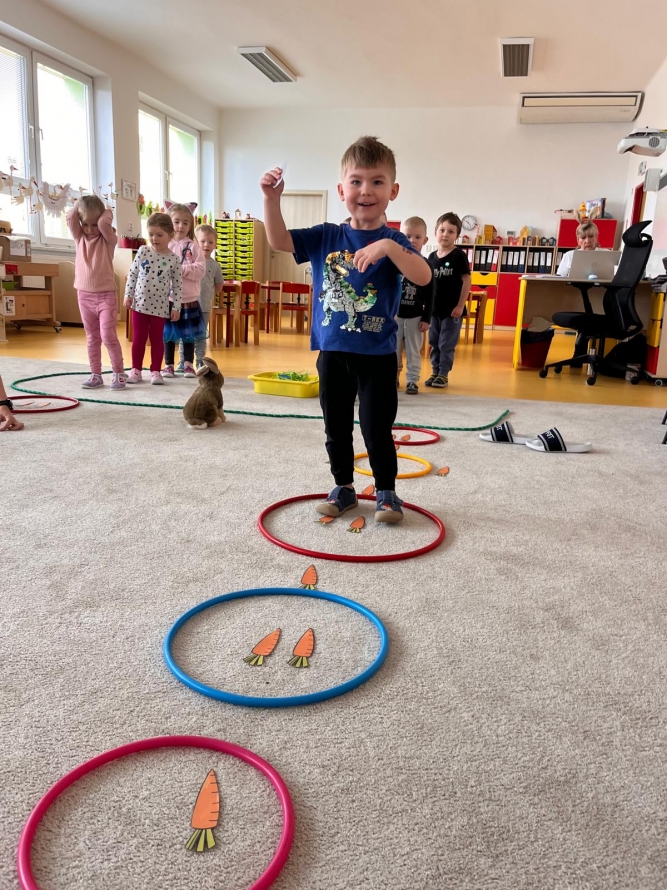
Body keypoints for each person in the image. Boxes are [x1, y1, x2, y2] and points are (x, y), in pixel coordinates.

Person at [260, 135, 431, 523]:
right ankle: (343, 487)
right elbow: (278, 239)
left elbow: (423, 276)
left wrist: (388, 248)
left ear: (392, 191)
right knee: (335, 427)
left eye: (376, 181)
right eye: (356, 181)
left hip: (378, 356)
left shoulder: (395, 241)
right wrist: (270, 199)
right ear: (341, 190)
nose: (365, 190)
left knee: (376, 427)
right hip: (333, 352)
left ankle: (386, 491)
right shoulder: (326, 235)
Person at [66, 196, 126, 390]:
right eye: (85, 224)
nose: (90, 229)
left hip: (106, 295)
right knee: (92, 337)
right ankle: (96, 374)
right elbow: (70, 217)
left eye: (95, 224)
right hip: (84, 296)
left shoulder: (108, 239)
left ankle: (118, 373)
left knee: (108, 336)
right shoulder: (79, 237)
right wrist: (80, 204)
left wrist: (105, 211)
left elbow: (103, 223)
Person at [123, 213, 183, 384]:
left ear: (170, 235)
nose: (154, 239)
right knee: (139, 339)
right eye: (151, 234)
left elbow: (178, 285)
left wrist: (176, 307)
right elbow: (133, 274)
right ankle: (136, 370)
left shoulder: (173, 259)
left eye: (159, 235)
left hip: (160, 308)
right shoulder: (143, 251)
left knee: (157, 340)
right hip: (139, 305)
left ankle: (156, 371)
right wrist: (128, 295)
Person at [426, 213, 471, 388]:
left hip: (452, 311)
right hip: (434, 310)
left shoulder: (458, 256)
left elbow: (466, 281)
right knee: (433, 341)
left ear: (457, 235)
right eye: (442, 230)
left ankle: (443, 373)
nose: (445, 234)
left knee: (446, 343)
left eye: (451, 231)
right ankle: (435, 371)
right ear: (435, 232)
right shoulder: (431, 258)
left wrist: (460, 305)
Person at [162, 203, 206, 379]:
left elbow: (200, 270)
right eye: (176, 222)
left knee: (188, 335)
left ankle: (188, 365)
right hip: (168, 299)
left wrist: (182, 269)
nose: (180, 226)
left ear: (190, 225)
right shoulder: (164, 245)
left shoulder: (194, 247)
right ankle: (168, 365)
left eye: (185, 223)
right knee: (168, 335)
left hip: (189, 300)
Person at [178, 224, 223, 372]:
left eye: (210, 242)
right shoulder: (188, 263)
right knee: (185, 335)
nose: (206, 245)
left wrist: (209, 293)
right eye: (202, 241)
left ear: (215, 244)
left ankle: (199, 362)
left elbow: (219, 286)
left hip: (203, 307)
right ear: (195, 243)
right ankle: (183, 362)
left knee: (200, 336)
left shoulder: (215, 266)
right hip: (187, 305)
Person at [396, 216, 433, 394]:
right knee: (393, 349)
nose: (412, 241)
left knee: (413, 350)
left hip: (415, 317)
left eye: (417, 237)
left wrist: (427, 318)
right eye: (407, 236)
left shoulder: (426, 265)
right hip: (395, 316)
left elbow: (430, 294)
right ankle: (393, 376)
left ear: (425, 240)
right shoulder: (395, 262)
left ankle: (412, 380)